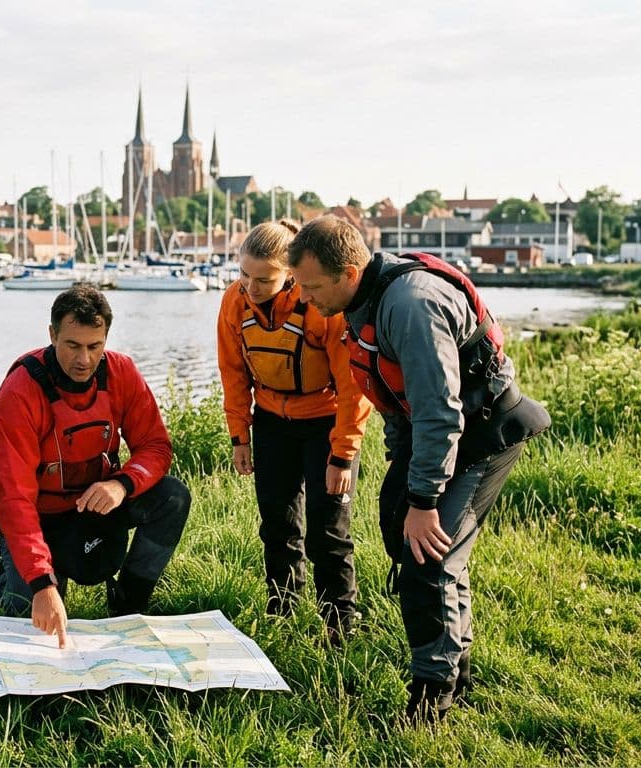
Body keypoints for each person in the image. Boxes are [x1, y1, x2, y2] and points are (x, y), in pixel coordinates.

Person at [287, 215, 550, 720]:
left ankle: (433, 697)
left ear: (347, 272)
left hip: (484, 434)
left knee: (427, 563)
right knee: (404, 534)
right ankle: (460, 670)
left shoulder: (410, 307)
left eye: (311, 285)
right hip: (445, 433)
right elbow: (391, 397)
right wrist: (401, 475)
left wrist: (425, 500)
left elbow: (438, 410)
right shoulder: (362, 298)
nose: (303, 298)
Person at [0, 284, 191, 648]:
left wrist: (122, 484)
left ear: (106, 338)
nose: (84, 360)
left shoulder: (122, 372)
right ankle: (4, 563)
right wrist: (42, 583)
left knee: (173, 497)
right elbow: (13, 497)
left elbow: (155, 446)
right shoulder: (20, 392)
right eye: (73, 345)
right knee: (22, 618)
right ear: (52, 334)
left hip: (96, 505)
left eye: (95, 346)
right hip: (40, 516)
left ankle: (128, 603)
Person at [215, 220, 372, 643]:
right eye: (244, 275)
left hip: (324, 421)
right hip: (271, 422)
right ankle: (281, 612)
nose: (250, 286)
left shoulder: (321, 308)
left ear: (291, 274)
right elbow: (232, 375)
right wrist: (240, 438)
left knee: (328, 528)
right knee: (277, 524)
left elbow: (352, 387)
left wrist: (342, 455)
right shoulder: (235, 303)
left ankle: (339, 624)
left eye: (263, 278)